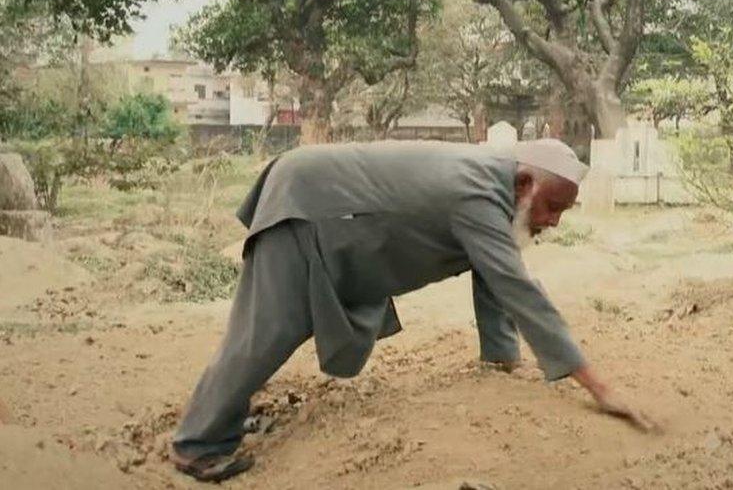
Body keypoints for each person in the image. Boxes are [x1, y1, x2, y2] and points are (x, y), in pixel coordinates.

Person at [171, 139, 651, 482]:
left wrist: (501, 360)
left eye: (563, 213)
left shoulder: (498, 188)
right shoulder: (478, 194)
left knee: (273, 330)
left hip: (331, 209)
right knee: (268, 330)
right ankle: (199, 446)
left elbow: (494, 269)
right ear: (524, 183)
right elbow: (517, 289)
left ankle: (222, 417)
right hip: (309, 205)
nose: (552, 221)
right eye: (551, 207)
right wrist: (599, 388)